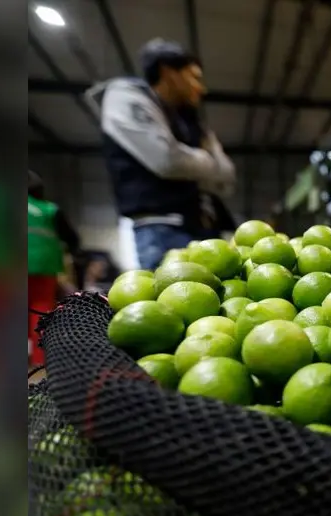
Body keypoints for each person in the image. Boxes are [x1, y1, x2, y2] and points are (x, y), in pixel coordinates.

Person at [88, 38, 236, 270]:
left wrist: (195, 161)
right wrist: (207, 161)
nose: (201, 87)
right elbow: (167, 160)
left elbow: (227, 176)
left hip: (202, 228)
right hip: (163, 230)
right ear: (169, 72)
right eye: (194, 77)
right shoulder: (126, 98)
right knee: (174, 300)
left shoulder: (189, 120)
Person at [27, 171, 80, 368]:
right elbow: (73, 239)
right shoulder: (49, 209)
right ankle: (42, 362)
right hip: (44, 265)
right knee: (40, 311)